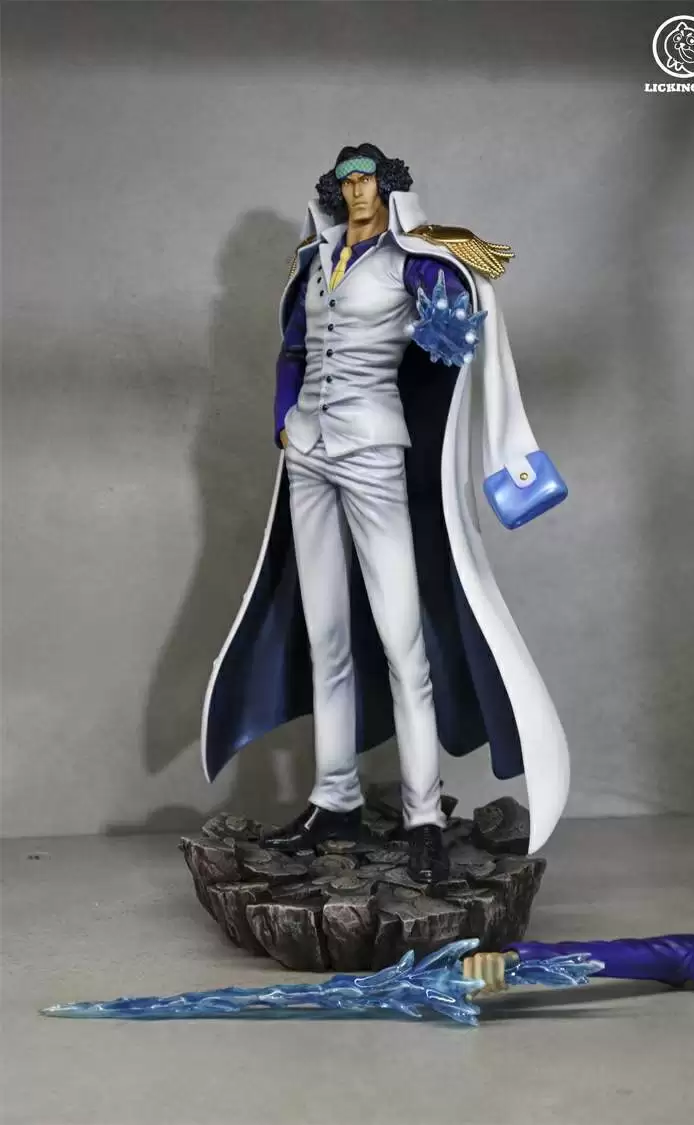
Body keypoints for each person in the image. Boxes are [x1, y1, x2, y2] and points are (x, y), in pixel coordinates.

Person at [201, 142, 570, 883]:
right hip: (309, 454)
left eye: (368, 179)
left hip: (373, 450)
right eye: (347, 182)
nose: (357, 191)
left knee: (405, 644)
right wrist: (285, 424)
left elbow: (455, 336)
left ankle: (423, 815)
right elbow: (294, 351)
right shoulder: (316, 261)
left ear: (390, 188)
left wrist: (449, 296)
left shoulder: (412, 262)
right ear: (335, 191)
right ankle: (334, 797)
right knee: (326, 637)